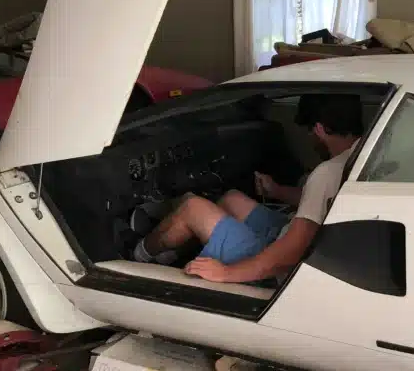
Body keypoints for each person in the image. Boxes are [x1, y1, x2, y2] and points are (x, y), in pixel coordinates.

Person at [132, 94, 364, 284]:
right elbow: (320, 204)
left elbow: (289, 254)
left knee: (193, 207)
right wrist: (277, 191)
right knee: (231, 199)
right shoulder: (363, 152)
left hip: (279, 269)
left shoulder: (326, 173)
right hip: (292, 235)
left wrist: (226, 273)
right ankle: (171, 252)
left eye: (309, 132)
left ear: (320, 129)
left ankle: (137, 255)